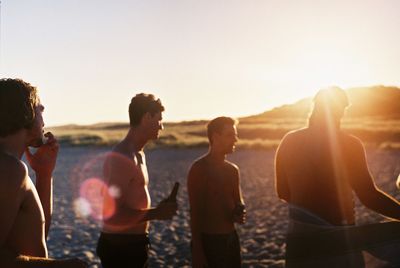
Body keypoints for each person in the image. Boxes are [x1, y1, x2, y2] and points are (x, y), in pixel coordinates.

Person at [275, 87, 400, 267]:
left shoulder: (289, 140)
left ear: (315, 107)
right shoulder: (349, 144)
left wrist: (309, 210)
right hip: (338, 239)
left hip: (300, 238)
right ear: (341, 110)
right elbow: (369, 197)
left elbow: (283, 192)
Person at [0, 78, 87, 267]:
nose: (44, 111)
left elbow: (36, 233)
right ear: (27, 113)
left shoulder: (11, 167)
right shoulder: (9, 169)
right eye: (39, 107)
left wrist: (44, 174)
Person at [96, 93, 178, 268]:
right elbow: (112, 216)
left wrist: (158, 210)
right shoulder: (122, 156)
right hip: (120, 249)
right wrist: (157, 213)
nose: (161, 126)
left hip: (135, 244)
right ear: (147, 117)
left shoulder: (139, 154)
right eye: (159, 119)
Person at [187, 116, 246, 268]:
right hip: (209, 242)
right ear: (215, 137)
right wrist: (198, 252)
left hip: (231, 239)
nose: (235, 139)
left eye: (235, 134)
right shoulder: (199, 169)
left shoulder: (233, 170)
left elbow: (238, 202)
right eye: (230, 135)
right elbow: (195, 213)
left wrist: (239, 212)